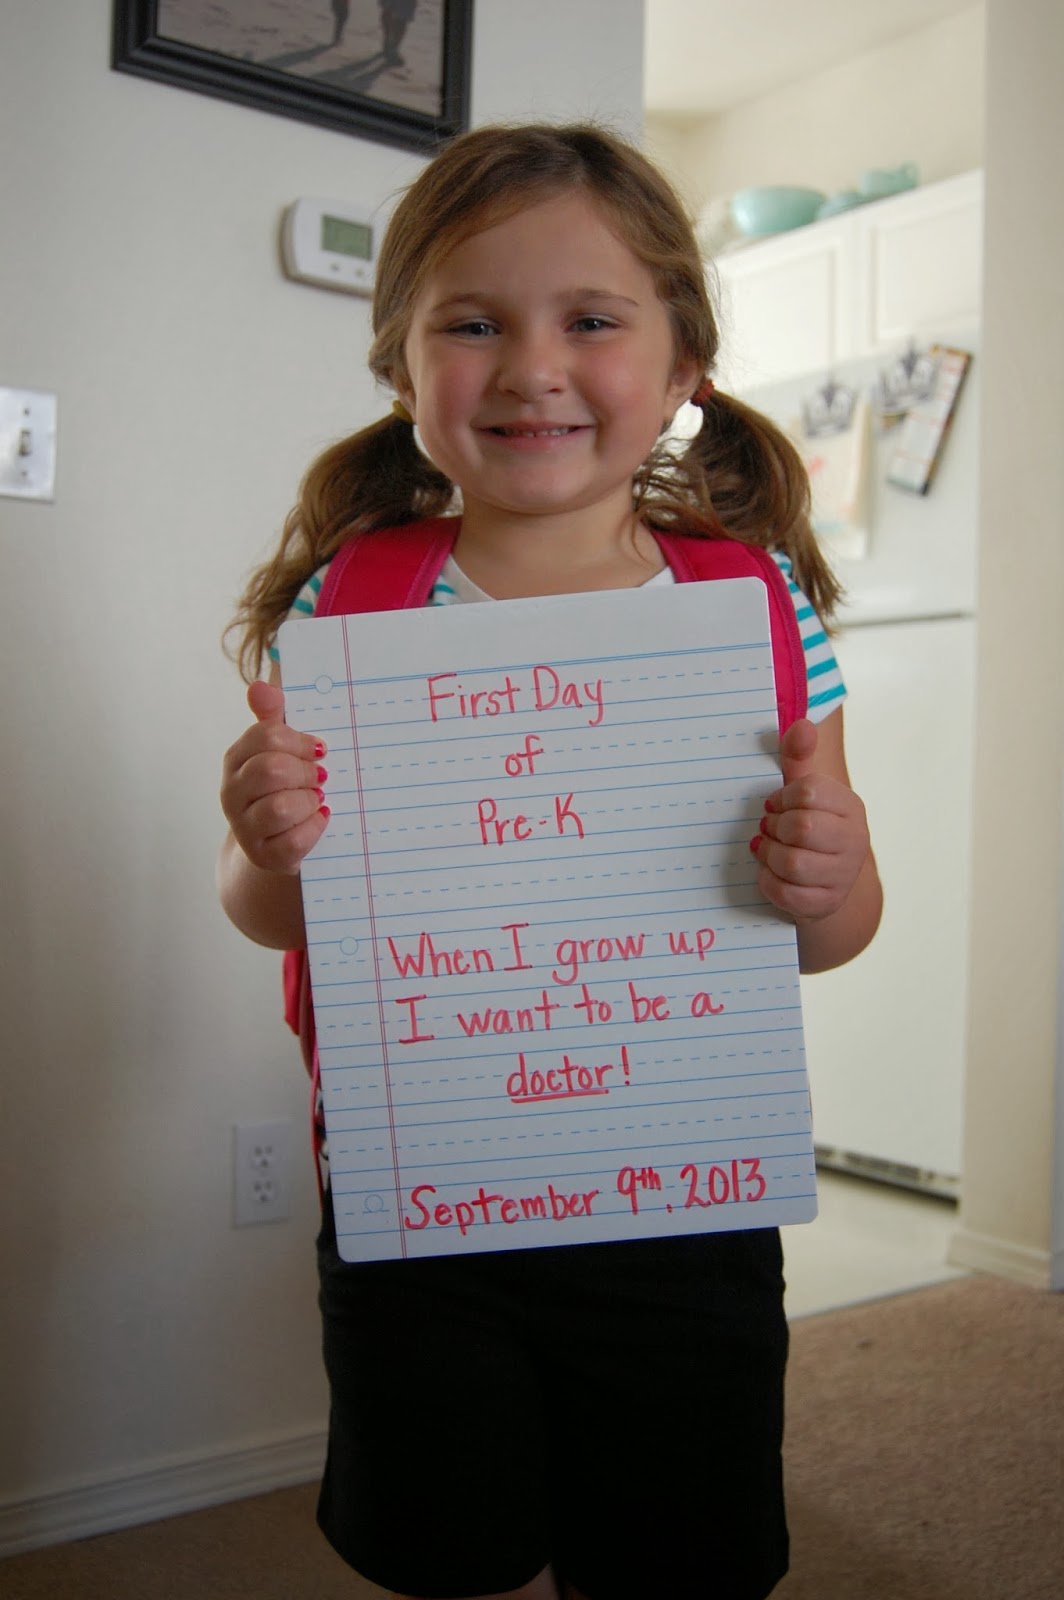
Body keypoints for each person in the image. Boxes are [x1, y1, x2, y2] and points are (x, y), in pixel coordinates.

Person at [219, 122, 882, 1600]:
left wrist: (827, 875)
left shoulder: (755, 603)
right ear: (403, 370)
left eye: (590, 320)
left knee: (676, 1550)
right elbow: (270, 910)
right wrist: (267, 841)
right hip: (420, 1198)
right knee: (444, 1548)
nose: (531, 368)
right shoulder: (355, 601)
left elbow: (835, 930)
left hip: (686, 1205)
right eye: (472, 325)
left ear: (684, 363)